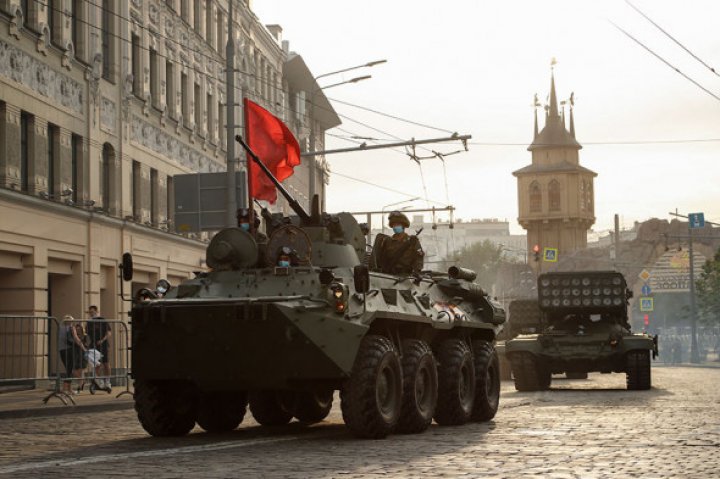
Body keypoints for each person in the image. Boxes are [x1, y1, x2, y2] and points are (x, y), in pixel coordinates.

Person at [370, 211, 424, 275]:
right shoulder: (387, 241)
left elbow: (419, 257)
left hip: (406, 276)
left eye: (398, 224)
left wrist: (417, 271)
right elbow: (381, 260)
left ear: (403, 226)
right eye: (394, 225)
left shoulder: (412, 241)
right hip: (389, 276)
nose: (395, 227)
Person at [58, 315, 87, 395]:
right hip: (69, 350)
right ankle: (64, 389)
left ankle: (69, 389)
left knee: (68, 369)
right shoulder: (71, 328)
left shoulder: (60, 328)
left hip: (62, 351)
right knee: (69, 370)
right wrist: (83, 347)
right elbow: (76, 338)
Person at [87, 305, 111, 390]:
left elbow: (108, 332)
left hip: (103, 345)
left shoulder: (102, 320)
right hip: (94, 345)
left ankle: (107, 382)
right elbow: (87, 334)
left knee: (106, 364)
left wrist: (102, 340)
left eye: (92, 312)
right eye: (90, 312)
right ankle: (99, 382)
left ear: (97, 311)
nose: (91, 314)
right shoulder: (89, 322)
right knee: (96, 364)